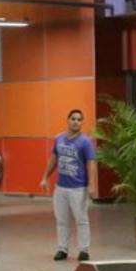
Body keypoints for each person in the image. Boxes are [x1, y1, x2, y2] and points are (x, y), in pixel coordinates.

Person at [40, 108, 96, 261]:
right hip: (61, 187)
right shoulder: (59, 139)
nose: (76, 122)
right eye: (73, 119)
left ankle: (84, 250)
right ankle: (62, 249)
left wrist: (91, 185)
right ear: (68, 120)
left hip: (78, 188)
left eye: (79, 119)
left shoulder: (85, 142)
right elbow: (53, 159)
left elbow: (91, 164)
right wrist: (45, 177)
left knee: (81, 219)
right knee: (62, 220)